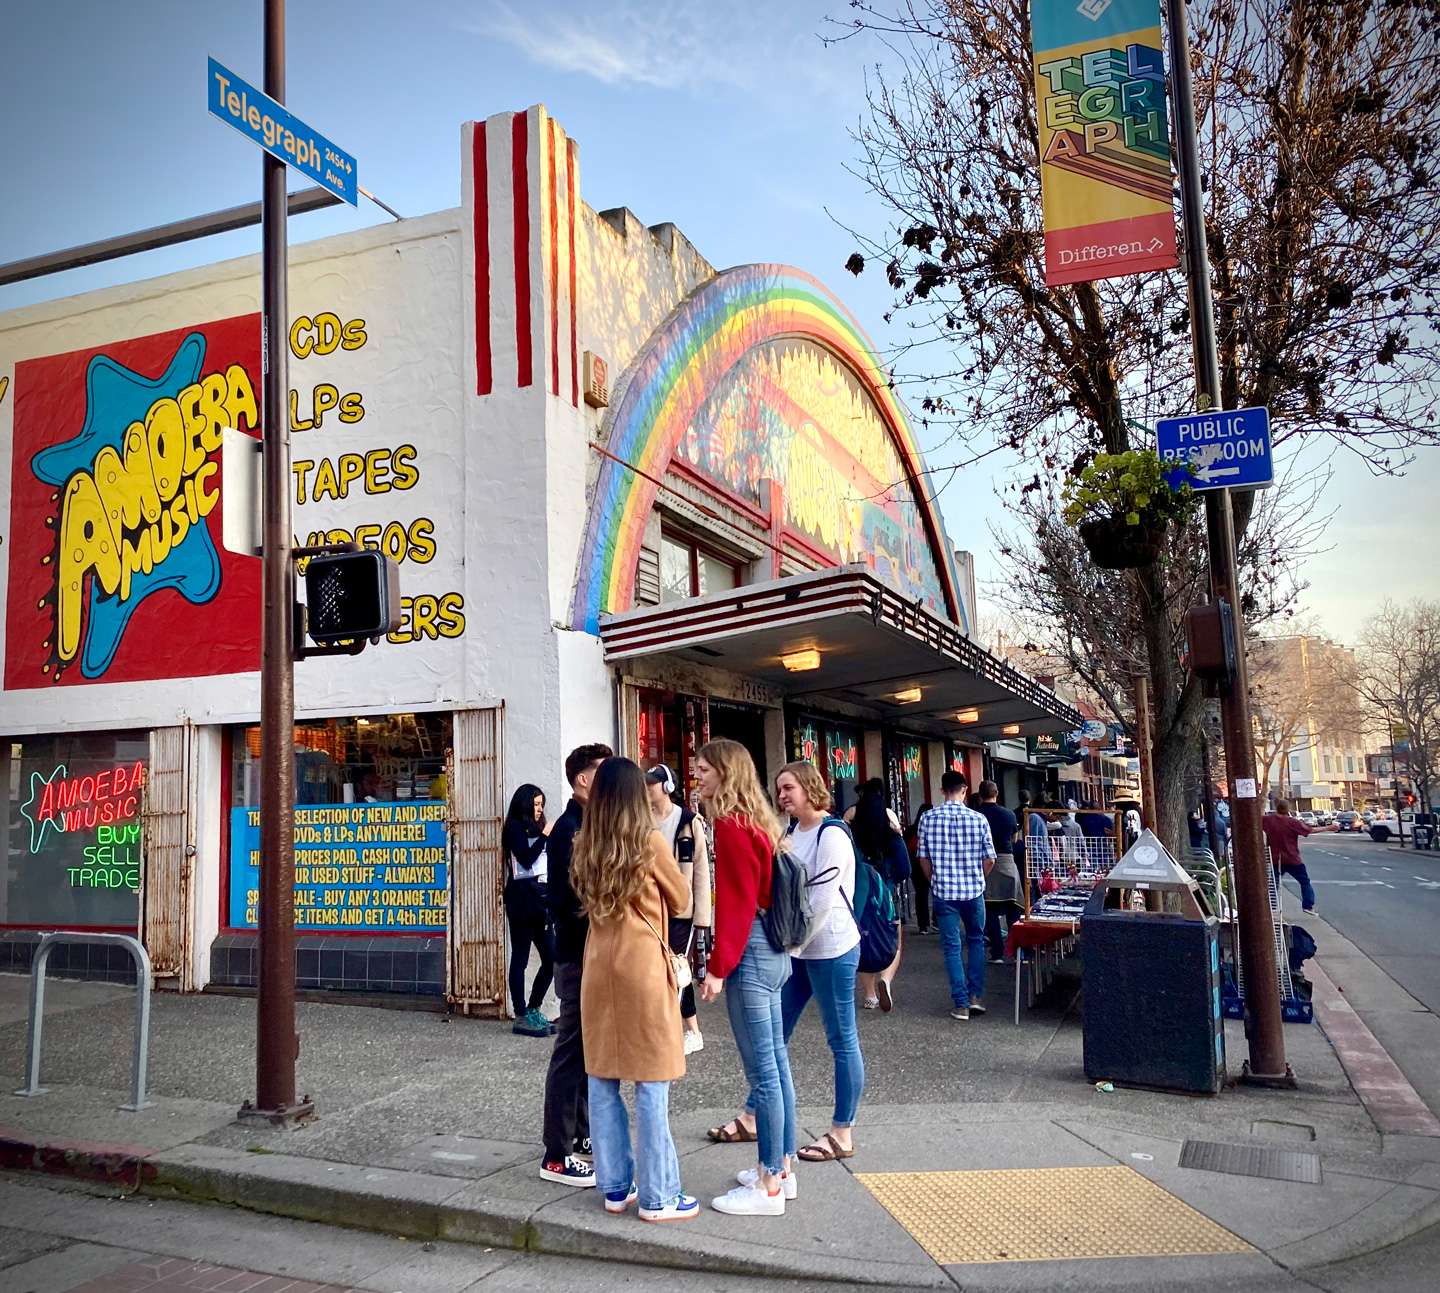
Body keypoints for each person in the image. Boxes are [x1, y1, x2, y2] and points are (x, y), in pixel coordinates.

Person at [706, 761, 864, 1169]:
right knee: (776, 1041)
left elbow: (821, 905)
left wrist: (786, 948)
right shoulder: (791, 831)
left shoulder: (832, 835)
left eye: (789, 787)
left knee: (841, 1038)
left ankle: (842, 1131)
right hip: (795, 950)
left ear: (811, 788)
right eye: (778, 789)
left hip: (830, 949)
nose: (782, 796)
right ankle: (756, 1116)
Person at [570, 757, 699, 1222]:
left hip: (598, 967)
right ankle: (659, 1196)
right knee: (651, 1080)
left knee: (602, 1078)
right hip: (642, 967)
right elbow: (683, 899)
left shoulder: (584, 842)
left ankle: (615, 1187)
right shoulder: (648, 841)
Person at [696, 738, 797, 1216]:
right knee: (776, 1066)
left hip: (751, 953)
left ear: (725, 773)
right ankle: (780, 1169)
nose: (696, 773)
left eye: (704, 767)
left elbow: (735, 907)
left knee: (764, 1075)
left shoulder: (730, 827)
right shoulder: (759, 823)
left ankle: (769, 1185)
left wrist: (717, 969)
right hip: (773, 950)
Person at [538, 742, 612, 1187]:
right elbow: (568, 899)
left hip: (588, 954)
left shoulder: (586, 823)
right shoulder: (569, 829)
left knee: (586, 1050)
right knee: (571, 1051)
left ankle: (581, 1136)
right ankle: (556, 1153)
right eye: (602, 770)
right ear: (583, 779)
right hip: (577, 956)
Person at [916, 771, 996, 1020]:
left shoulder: (928, 818)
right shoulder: (979, 819)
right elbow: (990, 858)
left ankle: (960, 1004)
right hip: (973, 892)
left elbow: (922, 858)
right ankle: (975, 997)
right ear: (964, 789)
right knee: (975, 941)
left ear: (942, 791)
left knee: (951, 947)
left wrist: (934, 880)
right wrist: (978, 878)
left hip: (943, 892)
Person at [645, 763, 712, 1055]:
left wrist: (703, 918)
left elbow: (701, 872)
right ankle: (670, 1028)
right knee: (655, 969)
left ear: (667, 786)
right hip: (650, 909)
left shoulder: (688, 821)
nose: (647, 788)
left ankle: (690, 1031)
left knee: (676, 968)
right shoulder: (643, 821)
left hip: (680, 909)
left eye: (653, 783)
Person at [850, 783, 910, 1012]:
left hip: (859, 897)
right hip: (886, 894)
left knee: (864, 941)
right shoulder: (891, 836)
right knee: (894, 940)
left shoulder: (851, 834)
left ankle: (869, 995)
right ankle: (885, 978)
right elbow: (905, 868)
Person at [501, 783, 555, 1037]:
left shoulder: (537, 826)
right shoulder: (513, 827)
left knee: (551, 957)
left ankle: (534, 1006)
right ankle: (520, 1012)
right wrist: (544, 835)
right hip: (521, 899)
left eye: (541, 805)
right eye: (535, 804)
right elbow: (525, 858)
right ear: (524, 804)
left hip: (541, 898)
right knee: (520, 958)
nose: (539, 809)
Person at [1263, 798, 1338, 913]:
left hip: (1275, 858)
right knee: (1304, 881)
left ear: (1277, 808)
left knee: (1273, 882)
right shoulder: (1292, 822)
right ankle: (1308, 906)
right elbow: (1310, 830)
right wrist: (1328, 828)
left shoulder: (1268, 820)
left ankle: (1271, 907)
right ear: (1287, 809)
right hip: (1292, 858)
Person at [974, 781, 1021, 964]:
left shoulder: (976, 815)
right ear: (997, 793)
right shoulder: (1008, 814)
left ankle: (997, 953)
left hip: (984, 863)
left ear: (980, 794)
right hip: (1007, 862)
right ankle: (1017, 952)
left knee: (990, 910)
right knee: (1013, 907)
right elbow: (1015, 839)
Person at [906, 803, 933, 933]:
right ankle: (936, 922)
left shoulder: (911, 829)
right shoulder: (933, 828)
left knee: (920, 894)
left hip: (915, 865)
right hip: (931, 863)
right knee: (937, 893)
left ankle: (923, 925)